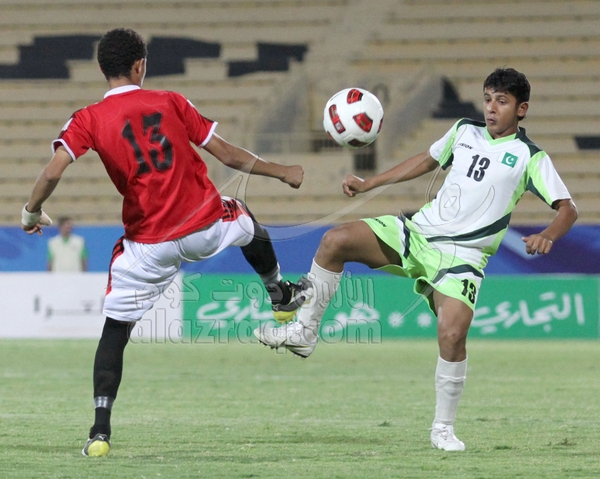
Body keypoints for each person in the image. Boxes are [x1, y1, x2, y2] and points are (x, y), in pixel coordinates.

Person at [20, 28, 310, 457]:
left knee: (115, 330)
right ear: (140, 66)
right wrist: (282, 171)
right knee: (245, 220)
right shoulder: (171, 101)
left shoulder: (87, 119)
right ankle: (279, 293)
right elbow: (227, 155)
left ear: (102, 69)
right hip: (203, 226)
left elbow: (52, 172)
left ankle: (99, 432)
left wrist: (31, 212)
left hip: (147, 245)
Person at [254, 68, 578, 451]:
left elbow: (567, 208)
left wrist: (547, 235)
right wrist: (370, 183)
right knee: (335, 240)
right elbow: (425, 161)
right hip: (418, 234)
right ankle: (304, 332)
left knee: (452, 336)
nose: (492, 108)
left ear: (521, 109)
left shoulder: (530, 157)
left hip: (463, 257)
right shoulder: (464, 130)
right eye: (488, 99)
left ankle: (443, 428)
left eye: (502, 102)